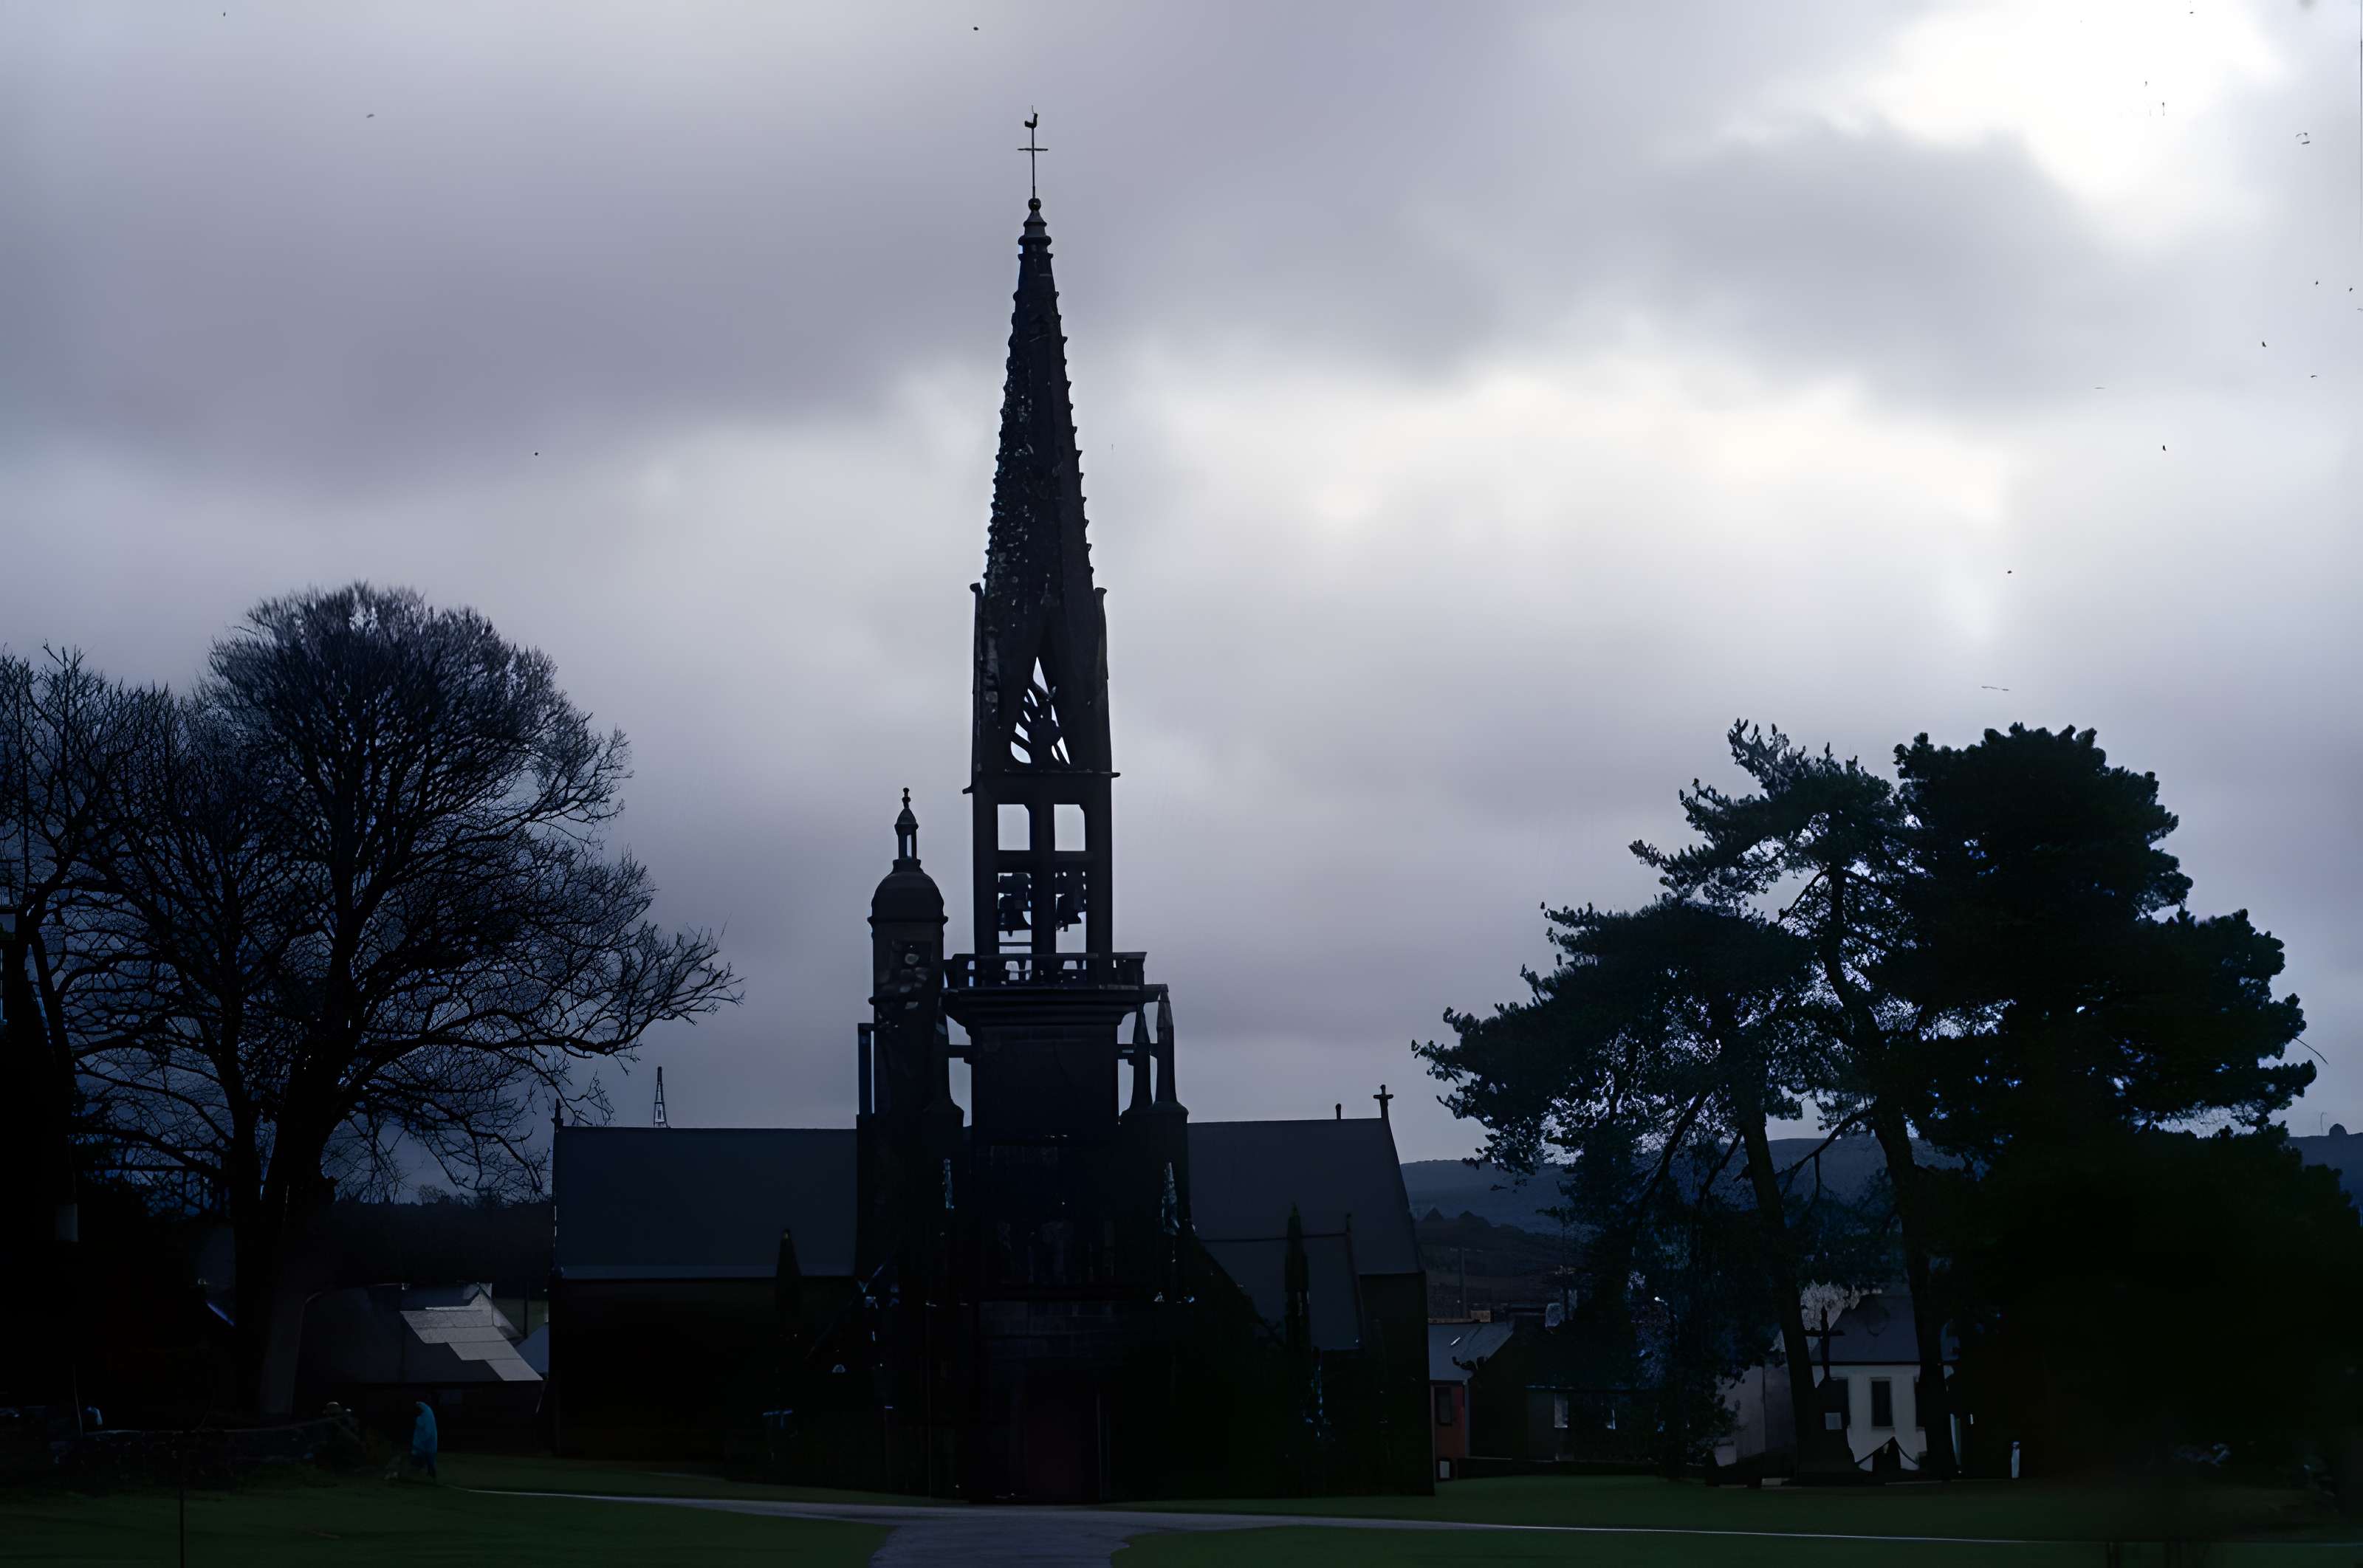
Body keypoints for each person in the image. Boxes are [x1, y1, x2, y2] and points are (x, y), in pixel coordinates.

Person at [405, 1400, 439, 1482]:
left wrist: (416, 1446)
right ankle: (430, 1476)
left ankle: (409, 1477)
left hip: (424, 1448)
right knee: (429, 1464)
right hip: (428, 1447)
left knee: (417, 1463)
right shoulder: (426, 1410)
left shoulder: (423, 1418)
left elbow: (426, 1434)